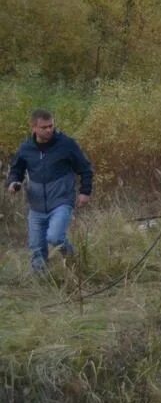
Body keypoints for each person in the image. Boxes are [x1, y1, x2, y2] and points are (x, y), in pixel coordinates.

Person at [5, 109, 93, 277]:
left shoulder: (67, 145)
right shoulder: (26, 148)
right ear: (34, 128)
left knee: (54, 237)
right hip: (36, 206)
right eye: (44, 127)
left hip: (61, 201)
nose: (49, 130)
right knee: (36, 247)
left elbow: (85, 168)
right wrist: (13, 183)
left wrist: (85, 192)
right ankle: (41, 281)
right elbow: (16, 171)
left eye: (51, 126)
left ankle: (73, 261)